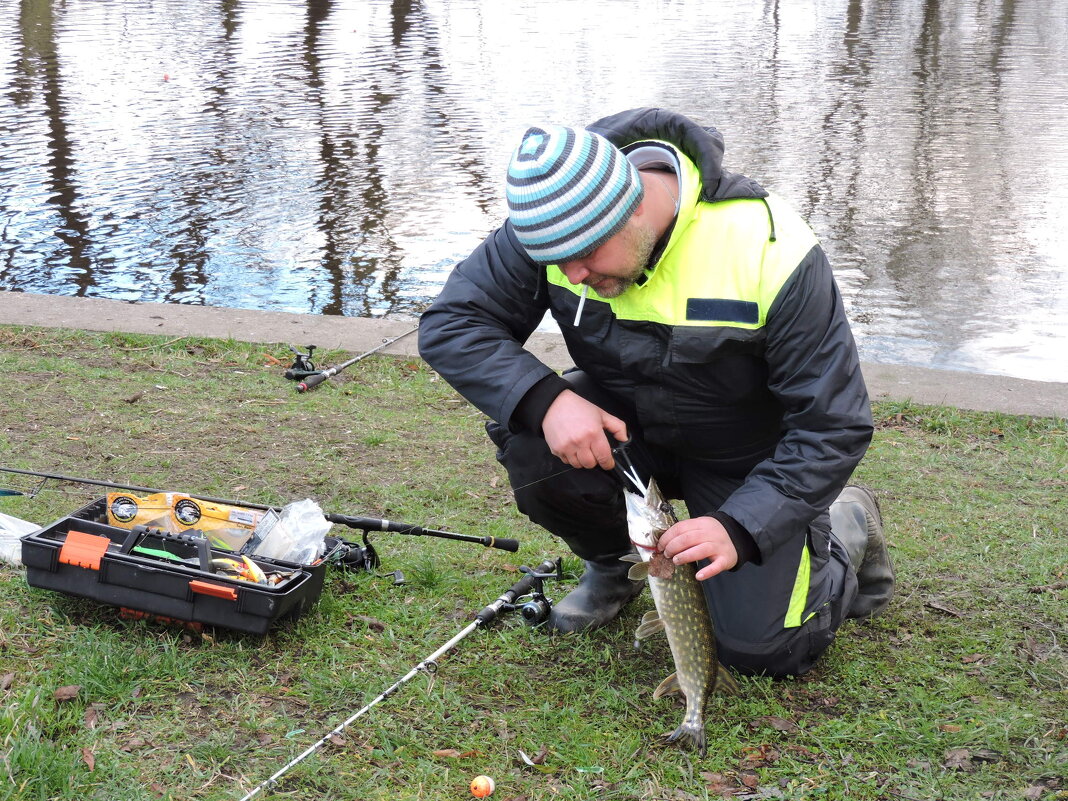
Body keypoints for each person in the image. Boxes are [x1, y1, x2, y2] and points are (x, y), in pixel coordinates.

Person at [418, 108, 894, 677]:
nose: (571, 275)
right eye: (554, 261)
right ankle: (613, 565)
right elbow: (452, 324)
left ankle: (846, 525)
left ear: (635, 205)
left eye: (587, 256)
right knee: (535, 447)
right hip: (629, 433)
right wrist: (545, 399)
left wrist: (742, 524)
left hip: (747, 458)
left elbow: (833, 423)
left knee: (762, 651)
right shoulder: (553, 226)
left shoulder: (770, 246)